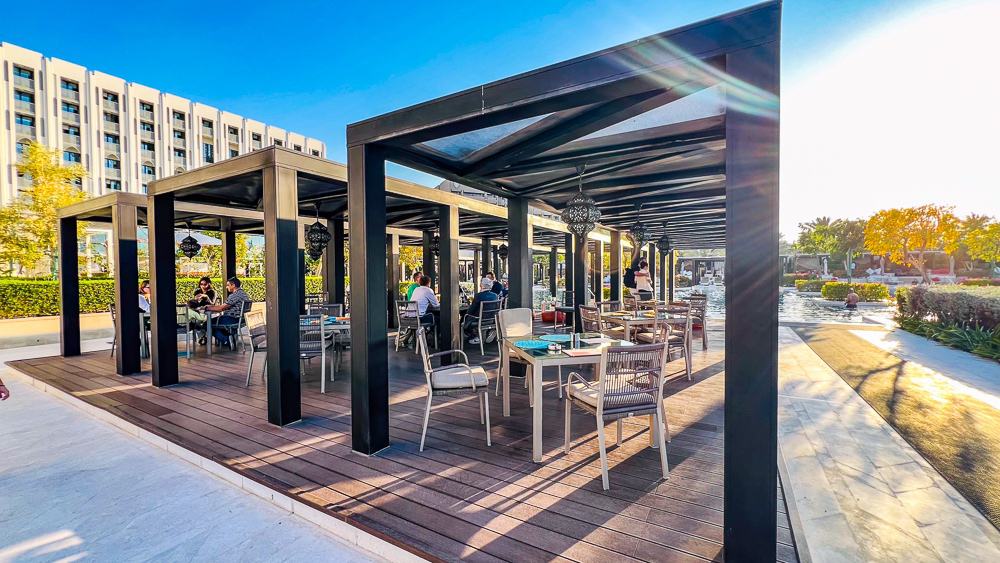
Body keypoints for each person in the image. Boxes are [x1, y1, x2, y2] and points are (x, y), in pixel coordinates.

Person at [204, 277, 252, 348]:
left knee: (206, 324)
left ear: (233, 285)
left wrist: (206, 308)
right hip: (241, 319)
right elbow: (226, 307)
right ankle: (227, 339)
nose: (226, 287)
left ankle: (226, 339)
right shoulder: (243, 293)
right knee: (215, 323)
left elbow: (221, 308)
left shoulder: (235, 295)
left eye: (228, 285)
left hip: (232, 319)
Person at [463, 277, 501, 344]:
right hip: (492, 320)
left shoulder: (478, 296)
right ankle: (488, 333)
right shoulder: (495, 296)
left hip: (480, 320)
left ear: (481, 285)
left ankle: (476, 337)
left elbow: (470, 311)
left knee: (464, 320)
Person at [187, 277, 217, 344]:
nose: (203, 286)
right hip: (198, 310)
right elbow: (194, 303)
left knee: (197, 321)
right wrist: (196, 300)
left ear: (209, 284)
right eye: (201, 284)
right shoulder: (197, 292)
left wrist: (207, 297)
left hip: (208, 311)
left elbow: (213, 303)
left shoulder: (212, 292)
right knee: (195, 320)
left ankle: (203, 336)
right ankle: (202, 337)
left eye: (205, 284)